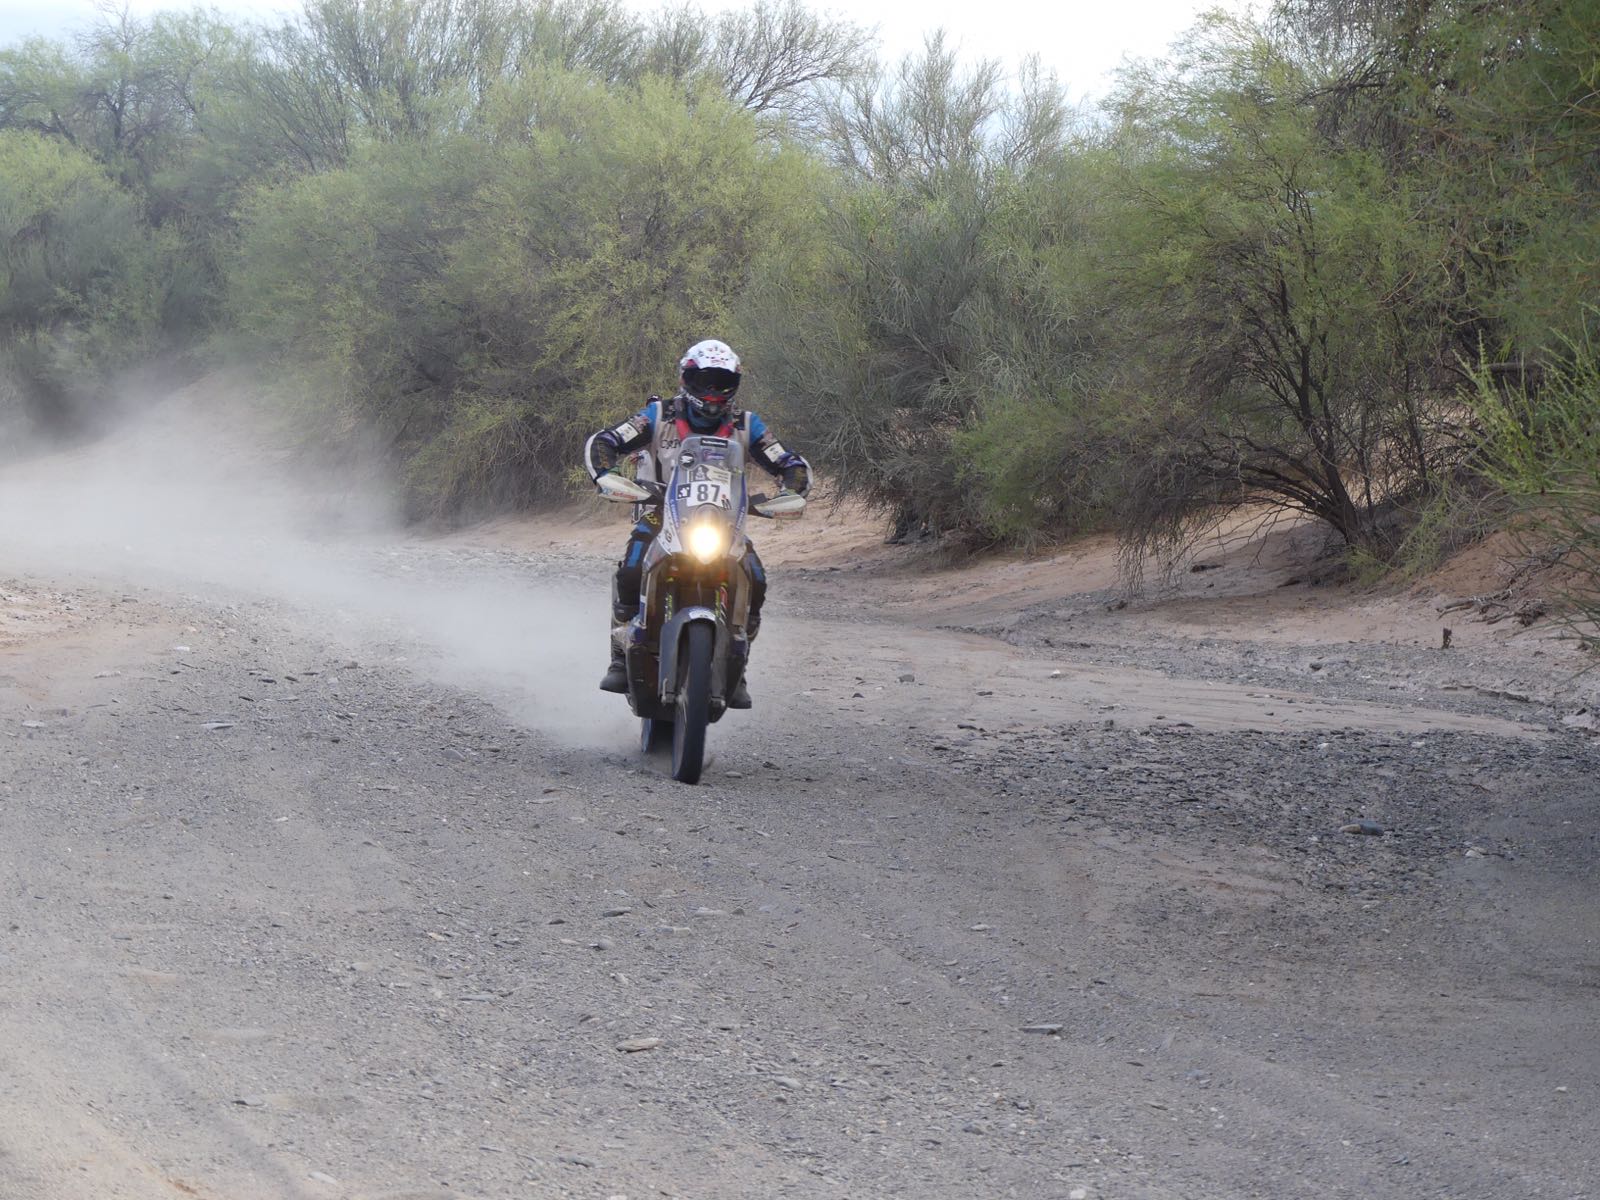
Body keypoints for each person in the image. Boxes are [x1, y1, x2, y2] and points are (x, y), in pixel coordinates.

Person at [584, 339, 810, 702]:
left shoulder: (747, 424)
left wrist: (788, 492)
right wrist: (607, 475)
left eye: (721, 381)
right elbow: (606, 441)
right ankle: (618, 656)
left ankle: (739, 663)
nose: (712, 391)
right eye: (704, 380)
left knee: (758, 579)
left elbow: (789, 463)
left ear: (734, 384)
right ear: (686, 379)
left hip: (725, 523)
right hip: (662, 513)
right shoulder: (657, 416)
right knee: (629, 570)